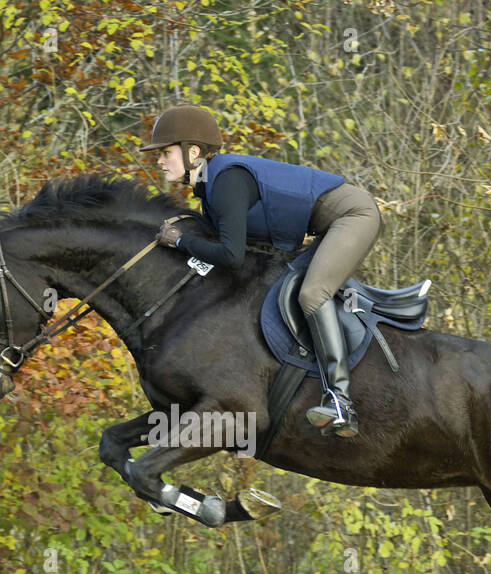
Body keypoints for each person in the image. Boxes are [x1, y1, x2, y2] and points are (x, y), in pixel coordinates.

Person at [140, 104, 381, 438]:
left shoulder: (225, 181)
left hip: (352, 215)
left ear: (192, 151)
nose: (159, 161)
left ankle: (340, 400)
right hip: (325, 225)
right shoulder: (210, 185)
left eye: (165, 152)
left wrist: (180, 242)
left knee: (312, 293)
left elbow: (230, 255)